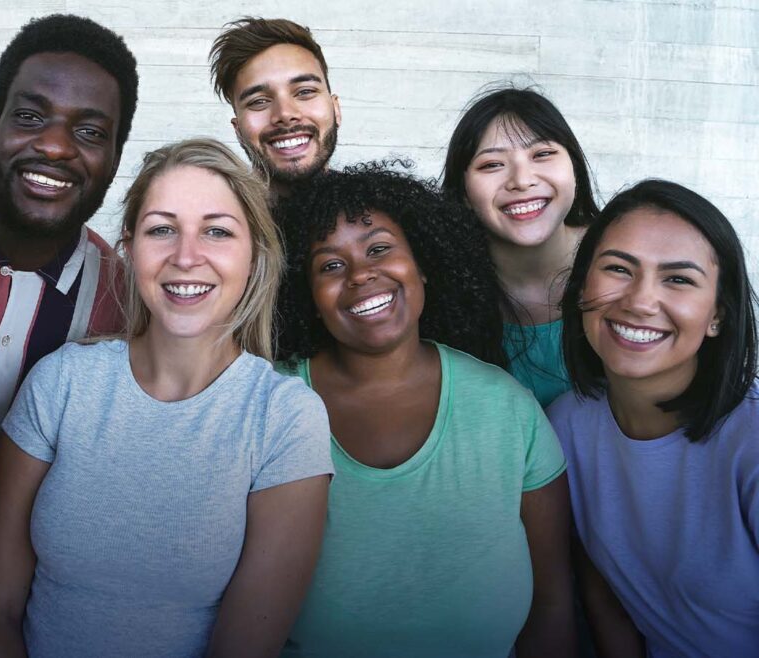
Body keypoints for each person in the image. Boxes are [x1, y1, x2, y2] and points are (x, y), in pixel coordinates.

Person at [0, 138, 333, 657]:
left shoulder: (285, 417)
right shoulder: (61, 383)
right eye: (162, 229)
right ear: (130, 248)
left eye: (217, 232)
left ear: (255, 254)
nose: (186, 257)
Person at [275, 163, 575, 657]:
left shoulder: (507, 408)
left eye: (379, 249)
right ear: (306, 295)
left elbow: (554, 605)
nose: (361, 273)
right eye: (330, 265)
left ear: (423, 264)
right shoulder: (272, 404)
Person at [549, 179, 759, 657]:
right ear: (582, 288)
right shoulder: (566, 425)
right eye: (619, 269)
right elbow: (606, 592)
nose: (640, 301)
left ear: (717, 317)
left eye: (678, 279)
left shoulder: (751, 440)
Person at [0, 14, 139, 541]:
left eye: (89, 132)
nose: (55, 146)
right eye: (31, 117)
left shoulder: (126, 307)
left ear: (115, 157)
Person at [442, 87, 599, 407]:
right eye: (492, 165)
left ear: (575, 169)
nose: (522, 180)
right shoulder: (442, 290)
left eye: (542, 154)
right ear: (463, 193)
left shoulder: (624, 258)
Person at [210, 17, 341, 201]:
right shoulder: (217, 220)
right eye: (259, 101)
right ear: (238, 130)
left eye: (305, 92)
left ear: (336, 110)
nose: (285, 114)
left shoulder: (380, 213)